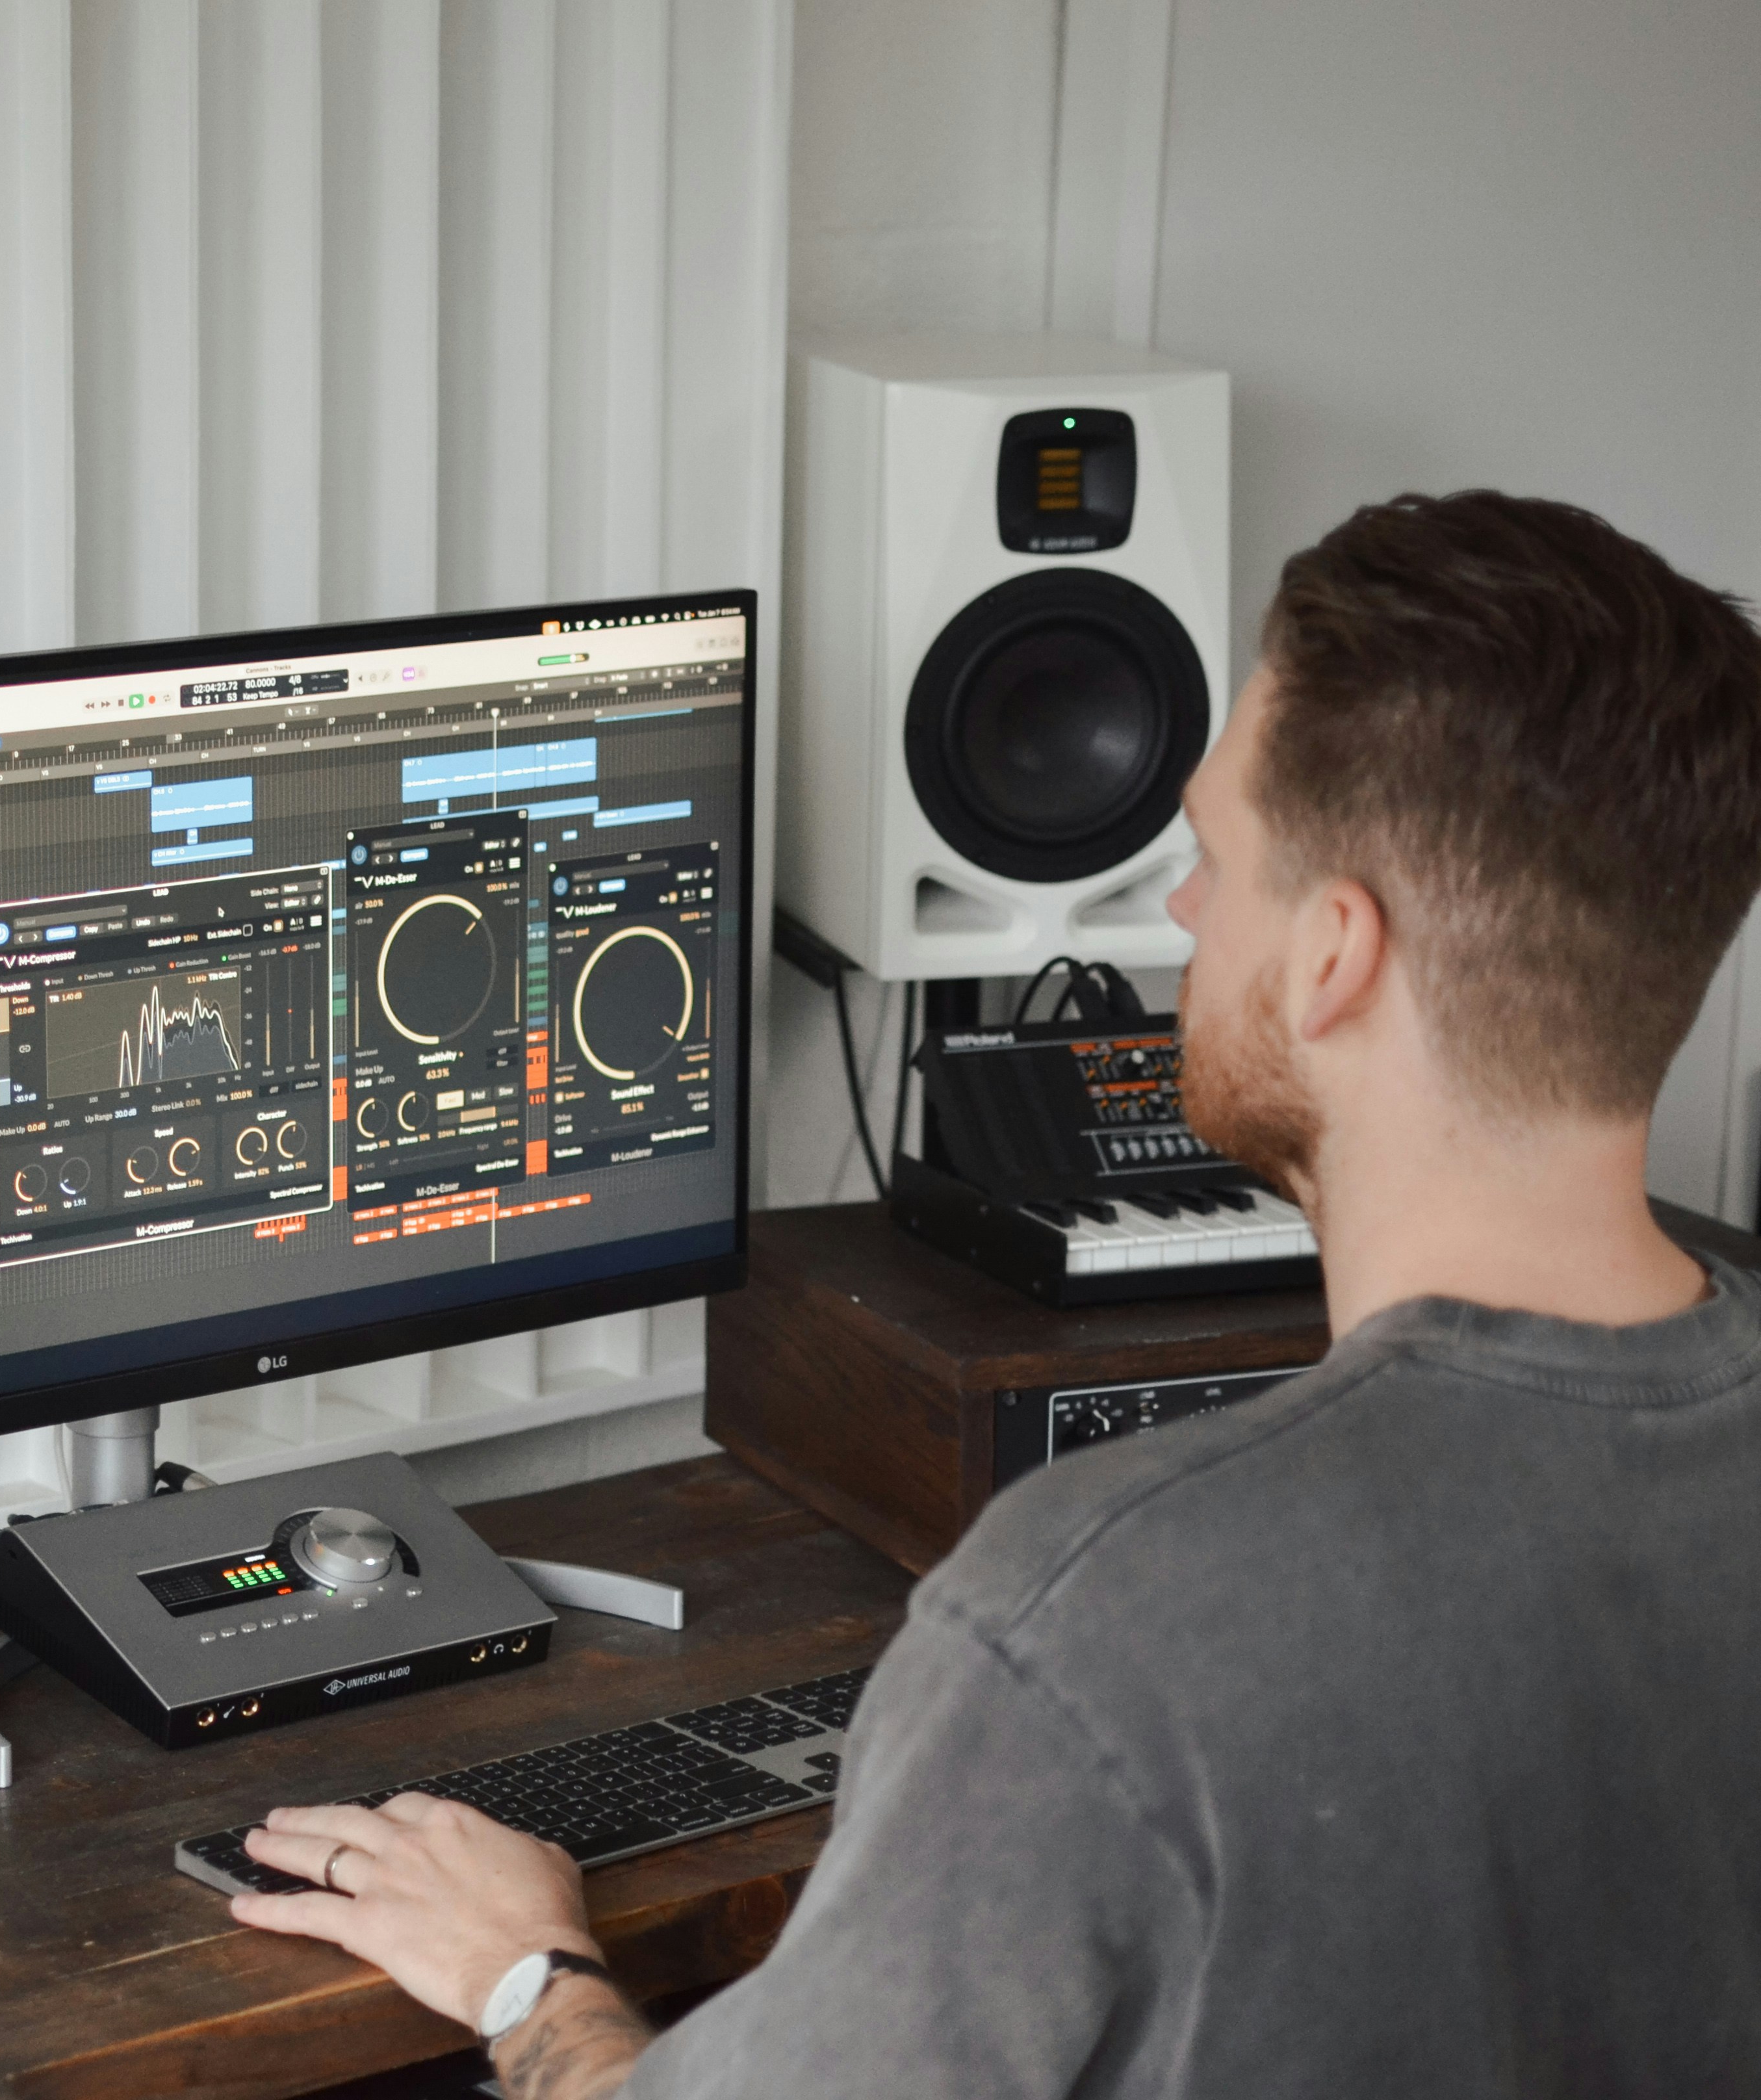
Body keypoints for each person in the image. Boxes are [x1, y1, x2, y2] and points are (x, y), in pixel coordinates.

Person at [227, 491, 1761, 2099]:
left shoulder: (1104, 1611)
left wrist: (523, 1974)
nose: (1178, 913)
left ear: (1331, 958)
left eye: (1218, 857)